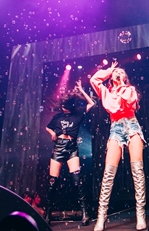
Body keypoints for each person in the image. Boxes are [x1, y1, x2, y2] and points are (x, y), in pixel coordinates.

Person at [90, 61, 146, 231]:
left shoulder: (130, 89)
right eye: (116, 72)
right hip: (116, 128)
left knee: (137, 171)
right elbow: (94, 80)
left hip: (132, 126)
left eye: (121, 72)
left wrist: (121, 84)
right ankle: (101, 217)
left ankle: (141, 214)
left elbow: (129, 101)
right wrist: (109, 70)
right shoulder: (106, 92)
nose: (118, 73)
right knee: (108, 174)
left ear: (125, 77)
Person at [43, 80, 95, 226]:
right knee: (52, 182)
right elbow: (48, 127)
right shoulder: (58, 117)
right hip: (58, 148)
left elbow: (91, 103)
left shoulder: (78, 114)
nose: (63, 108)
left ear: (71, 106)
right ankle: (47, 214)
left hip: (72, 148)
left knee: (77, 180)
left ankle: (85, 213)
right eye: (62, 106)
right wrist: (53, 133)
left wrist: (81, 90)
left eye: (65, 107)